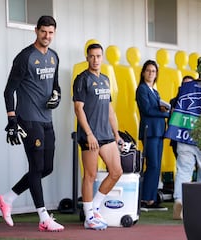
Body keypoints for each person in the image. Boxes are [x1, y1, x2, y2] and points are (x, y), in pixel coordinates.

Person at [0, 15, 64, 232]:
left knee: (47, 167)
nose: (47, 36)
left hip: (46, 119)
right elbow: (9, 91)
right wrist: (12, 119)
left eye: (51, 32)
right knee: (36, 166)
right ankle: (44, 217)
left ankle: (7, 198)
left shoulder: (54, 57)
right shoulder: (24, 57)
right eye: (43, 31)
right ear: (36, 31)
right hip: (28, 119)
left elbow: (56, 86)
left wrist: (57, 96)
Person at [72, 43, 123, 230]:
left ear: (102, 58)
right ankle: (89, 217)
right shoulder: (81, 79)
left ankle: (94, 207)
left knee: (116, 171)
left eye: (98, 56)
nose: (95, 60)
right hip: (90, 135)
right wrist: (89, 134)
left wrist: (116, 134)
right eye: (92, 56)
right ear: (87, 58)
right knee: (90, 176)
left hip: (106, 134)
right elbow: (78, 109)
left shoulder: (105, 80)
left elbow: (110, 110)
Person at [164, 76, 201, 220]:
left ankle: (179, 200)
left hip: (185, 135)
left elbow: (175, 107)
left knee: (183, 171)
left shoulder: (186, 87)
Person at [135, 60, 169, 210]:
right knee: (152, 165)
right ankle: (145, 198)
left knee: (156, 166)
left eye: (153, 71)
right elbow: (147, 110)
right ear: (143, 72)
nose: (151, 73)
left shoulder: (155, 91)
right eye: (148, 70)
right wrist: (167, 113)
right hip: (149, 132)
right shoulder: (142, 89)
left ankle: (151, 197)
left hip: (159, 132)